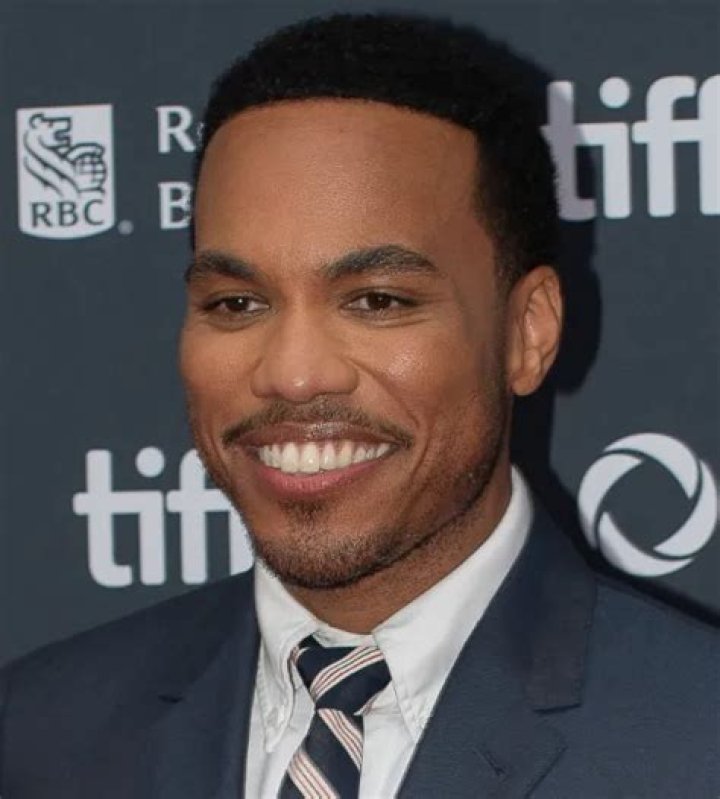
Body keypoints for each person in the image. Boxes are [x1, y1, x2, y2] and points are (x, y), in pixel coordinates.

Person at [0, 13, 716, 799]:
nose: (294, 374)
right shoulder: (39, 735)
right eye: (237, 303)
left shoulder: (696, 740)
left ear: (527, 332)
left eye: (377, 300)